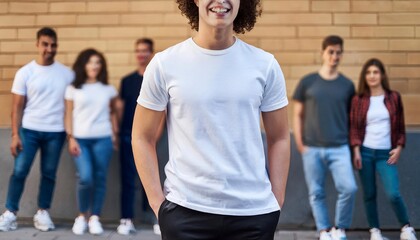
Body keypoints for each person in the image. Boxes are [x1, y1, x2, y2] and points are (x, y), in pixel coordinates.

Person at [131, 0, 290, 239]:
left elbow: (279, 138)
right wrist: (159, 206)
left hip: (253, 214)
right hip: (185, 212)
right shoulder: (165, 64)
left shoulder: (265, 65)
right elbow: (141, 137)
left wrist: (276, 202)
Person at [0, 27, 73, 232]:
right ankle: (10, 213)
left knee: (49, 174)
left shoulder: (67, 74)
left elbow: (71, 107)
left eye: (53, 45)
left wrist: (70, 134)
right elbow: (16, 107)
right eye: (45, 44)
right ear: (37, 44)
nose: (49, 49)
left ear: (56, 46)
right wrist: (15, 134)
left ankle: (42, 213)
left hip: (56, 132)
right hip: (29, 130)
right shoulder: (25, 72)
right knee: (20, 171)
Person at [292, 35, 357, 240]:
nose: (334, 56)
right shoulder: (308, 82)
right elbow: (297, 114)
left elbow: (352, 118)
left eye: (338, 52)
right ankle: (324, 231)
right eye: (330, 51)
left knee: (349, 188)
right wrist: (300, 143)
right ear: (323, 53)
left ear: (342, 55)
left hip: (340, 147)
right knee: (316, 192)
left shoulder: (347, 85)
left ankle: (340, 229)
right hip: (312, 148)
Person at [350, 58, 417, 240]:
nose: (372, 76)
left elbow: (400, 127)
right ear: (365, 76)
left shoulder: (393, 97)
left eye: (376, 72)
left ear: (382, 75)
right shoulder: (359, 100)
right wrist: (356, 150)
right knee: (369, 194)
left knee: (393, 193)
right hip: (365, 153)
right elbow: (354, 128)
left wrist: (399, 148)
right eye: (368, 72)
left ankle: (406, 228)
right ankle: (375, 232)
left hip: (385, 154)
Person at [64, 48, 118, 235]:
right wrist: (70, 138)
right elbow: (68, 114)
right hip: (81, 140)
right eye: (90, 62)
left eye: (98, 62)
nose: (94, 66)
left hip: (103, 138)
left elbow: (112, 114)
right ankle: (82, 216)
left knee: (100, 178)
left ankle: (95, 217)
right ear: (83, 65)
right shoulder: (73, 89)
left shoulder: (108, 89)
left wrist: (114, 135)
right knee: (85, 177)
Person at [116, 38, 162, 235]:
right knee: (127, 179)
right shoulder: (127, 81)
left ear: (151, 53)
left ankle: (156, 218)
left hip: (151, 138)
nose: (141, 54)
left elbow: (163, 113)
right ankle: (126, 219)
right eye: (138, 51)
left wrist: (153, 138)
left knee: (151, 177)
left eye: (145, 51)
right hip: (127, 136)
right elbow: (120, 109)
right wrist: (117, 134)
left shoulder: (155, 79)